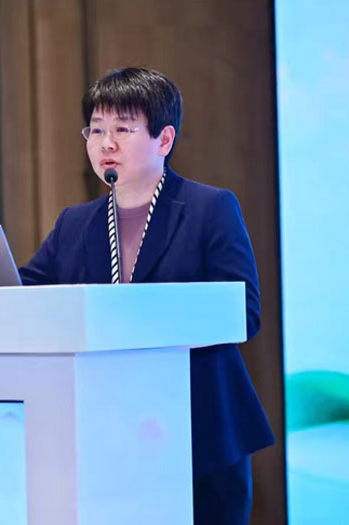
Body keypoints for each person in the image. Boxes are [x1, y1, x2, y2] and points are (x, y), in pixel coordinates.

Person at [19, 67, 274, 523]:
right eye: (96, 130)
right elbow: (25, 293)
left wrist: (134, 318)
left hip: (199, 432)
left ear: (164, 139)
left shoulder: (210, 208)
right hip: (105, 436)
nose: (106, 143)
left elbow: (244, 312)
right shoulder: (75, 224)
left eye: (122, 129)